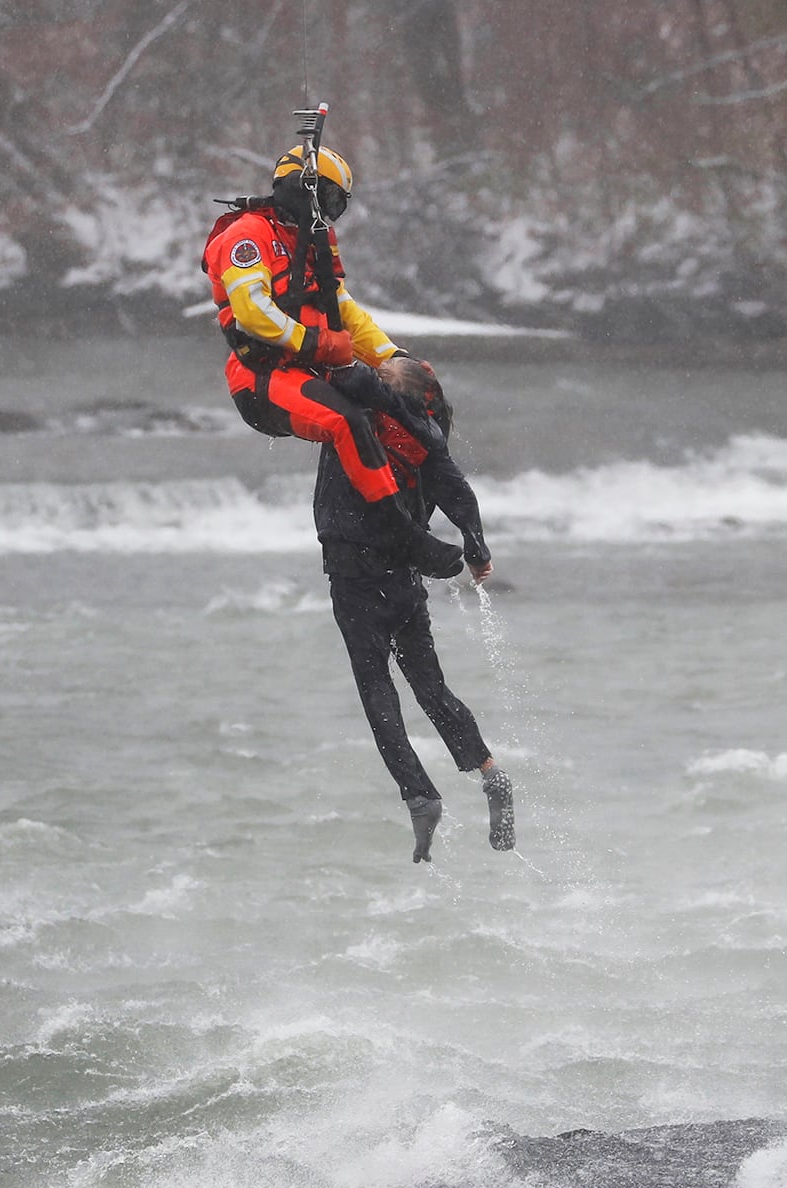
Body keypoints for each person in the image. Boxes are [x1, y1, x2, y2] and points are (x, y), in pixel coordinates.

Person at [202, 143, 514, 861]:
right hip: (399, 577)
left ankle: (419, 796)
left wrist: (343, 351)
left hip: (361, 567)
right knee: (431, 688)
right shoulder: (423, 436)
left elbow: (337, 325)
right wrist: (474, 544)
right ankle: (488, 773)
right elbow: (453, 482)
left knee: (380, 696)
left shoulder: (364, 417)